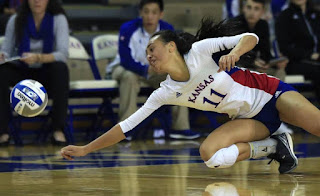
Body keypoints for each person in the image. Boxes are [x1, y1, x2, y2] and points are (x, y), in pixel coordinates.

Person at [61, 17, 320, 174]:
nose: (148, 55)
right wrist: (86, 149)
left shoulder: (199, 52)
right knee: (211, 156)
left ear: (171, 47)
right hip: (248, 119)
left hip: (271, 94)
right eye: (146, 53)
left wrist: (236, 53)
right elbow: (126, 126)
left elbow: (250, 37)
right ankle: (275, 145)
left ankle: (278, 141)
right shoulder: (165, 92)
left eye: (152, 48)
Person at [106, 0, 200, 140]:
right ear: (140, 13)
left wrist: (158, 68)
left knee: (177, 76)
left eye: (154, 12)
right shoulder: (128, 28)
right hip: (124, 68)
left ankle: (180, 128)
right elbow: (126, 60)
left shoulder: (167, 30)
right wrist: (146, 69)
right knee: (129, 76)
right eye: (146, 11)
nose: (150, 16)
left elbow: (173, 57)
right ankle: (126, 128)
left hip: (155, 70)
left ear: (161, 14)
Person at [0, 0, 69, 146]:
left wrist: (38, 57)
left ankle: (58, 130)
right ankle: (3, 132)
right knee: (2, 72)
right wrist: (2, 55)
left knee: (61, 69)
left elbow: (62, 54)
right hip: (22, 69)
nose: (37, 1)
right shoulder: (16, 19)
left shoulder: (58, 19)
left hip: (46, 71)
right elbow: (7, 49)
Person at [275, 0, 320, 100]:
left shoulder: (316, 14)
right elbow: (285, 48)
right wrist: (310, 55)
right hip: (295, 62)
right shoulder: (284, 17)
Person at [234, 0, 288, 81]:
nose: (252, 12)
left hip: (256, 67)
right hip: (240, 66)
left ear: (262, 12)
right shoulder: (235, 24)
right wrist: (252, 62)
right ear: (243, 9)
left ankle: (277, 93)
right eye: (249, 7)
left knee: (280, 71)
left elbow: (265, 53)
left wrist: (274, 63)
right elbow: (233, 54)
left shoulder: (263, 25)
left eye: (256, 9)